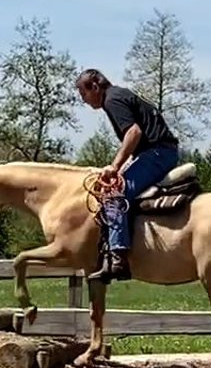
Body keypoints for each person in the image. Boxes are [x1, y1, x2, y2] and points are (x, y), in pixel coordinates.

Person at [76, 68, 180, 283]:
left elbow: (134, 132)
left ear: (95, 86)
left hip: (157, 154)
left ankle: (118, 259)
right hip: (157, 152)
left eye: (83, 93)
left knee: (114, 194)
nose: (83, 99)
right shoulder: (119, 95)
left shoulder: (112, 100)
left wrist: (114, 167)